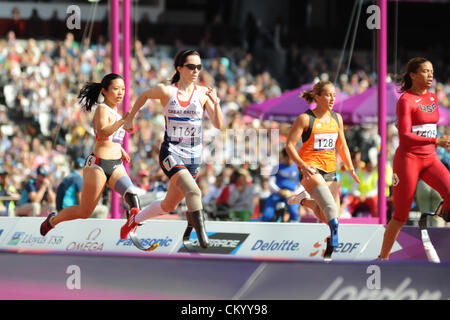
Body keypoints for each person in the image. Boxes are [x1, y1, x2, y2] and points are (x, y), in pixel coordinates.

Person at [119, 49, 223, 249]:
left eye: (199, 67)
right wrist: (131, 117)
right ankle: (203, 239)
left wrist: (216, 103)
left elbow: (218, 123)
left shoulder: (202, 92)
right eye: (191, 66)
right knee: (194, 192)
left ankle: (134, 219)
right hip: (171, 152)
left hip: (193, 156)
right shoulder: (167, 91)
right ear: (179, 68)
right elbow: (144, 95)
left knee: (169, 205)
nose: (195, 71)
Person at [40, 73, 138, 236]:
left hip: (115, 165)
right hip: (98, 165)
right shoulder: (102, 109)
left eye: (123, 89)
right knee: (84, 212)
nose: (120, 93)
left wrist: (120, 148)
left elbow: (110, 139)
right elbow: (101, 132)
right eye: (116, 89)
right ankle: (52, 220)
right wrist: (121, 122)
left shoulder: (118, 114)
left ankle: (130, 227)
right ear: (105, 91)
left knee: (132, 194)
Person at [379, 58, 450, 260]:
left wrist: (434, 144)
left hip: (430, 159)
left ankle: (436, 221)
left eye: (432, 71)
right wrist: (436, 141)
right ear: (413, 75)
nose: (431, 75)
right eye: (426, 71)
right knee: (400, 216)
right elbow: (405, 137)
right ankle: (382, 258)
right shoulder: (405, 100)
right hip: (408, 160)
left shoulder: (433, 98)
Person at [285, 80, 360, 252]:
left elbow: (342, 146)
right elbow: (289, 145)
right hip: (310, 169)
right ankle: (334, 237)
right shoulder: (305, 119)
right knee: (331, 211)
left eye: (334, 95)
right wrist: (302, 165)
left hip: (330, 170)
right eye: (328, 95)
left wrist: (351, 168)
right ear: (317, 97)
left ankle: (302, 200)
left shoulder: (337, 118)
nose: (332, 99)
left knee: (330, 215)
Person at [262, 148, 304, 222]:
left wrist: (294, 193)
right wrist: (279, 191)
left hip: (291, 194)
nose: (289, 160)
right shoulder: (276, 167)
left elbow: (302, 184)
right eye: (287, 158)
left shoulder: (298, 168)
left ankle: (293, 225)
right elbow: (271, 182)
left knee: (294, 212)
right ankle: (267, 225)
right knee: (268, 213)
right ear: (284, 157)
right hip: (278, 193)